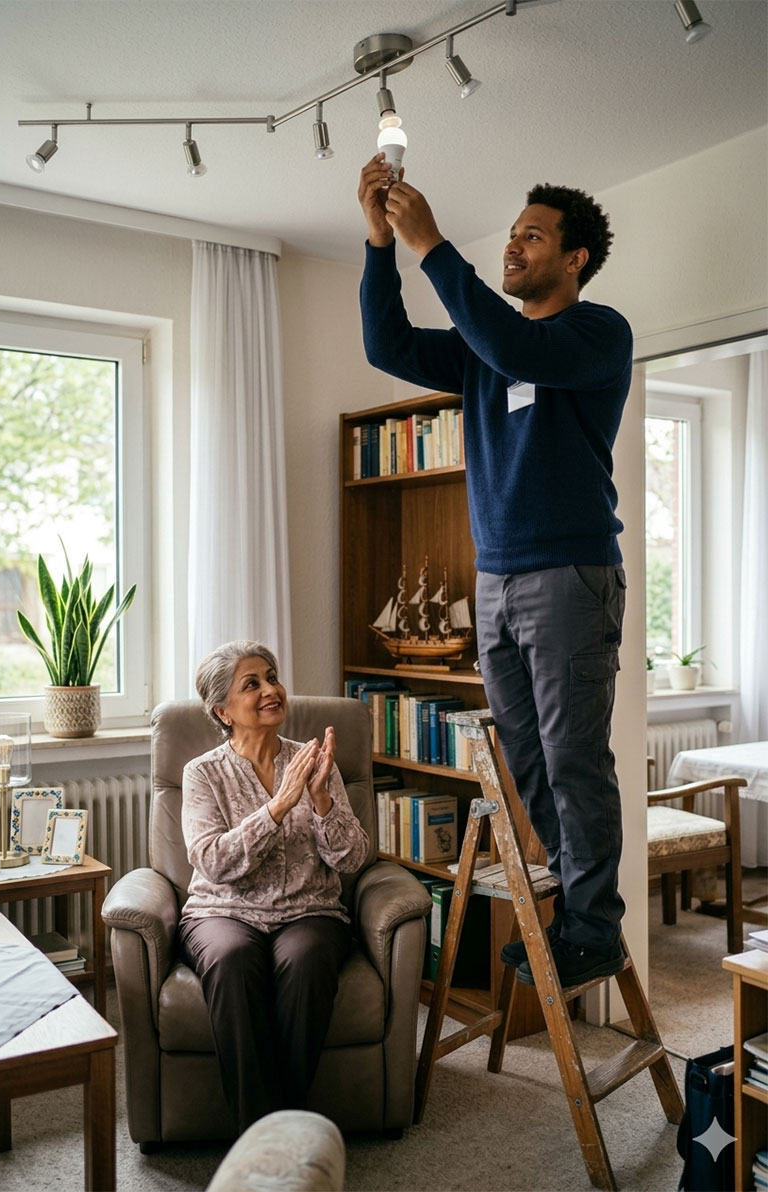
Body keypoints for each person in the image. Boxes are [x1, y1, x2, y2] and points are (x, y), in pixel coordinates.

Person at [357, 156, 633, 988]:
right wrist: (380, 245)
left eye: (532, 236)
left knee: (575, 756)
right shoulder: (485, 351)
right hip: (499, 579)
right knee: (528, 758)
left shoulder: (594, 334)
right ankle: (577, 915)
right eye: (512, 235)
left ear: (574, 257)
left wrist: (434, 243)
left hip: (569, 575)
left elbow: (521, 345)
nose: (514, 246)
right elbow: (387, 344)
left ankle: (594, 926)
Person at [178, 640, 369, 1134]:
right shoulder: (202, 774)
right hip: (222, 912)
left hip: (309, 911)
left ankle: (277, 1132)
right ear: (223, 710)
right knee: (232, 959)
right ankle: (263, 1139)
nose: (271, 689)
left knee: (306, 960)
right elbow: (213, 862)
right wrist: (279, 806)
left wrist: (321, 797)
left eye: (272, 676)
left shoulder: (312, 762)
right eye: (252, 683)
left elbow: (352, 858)